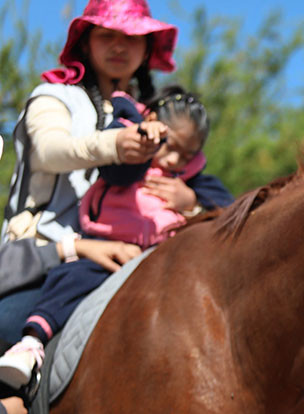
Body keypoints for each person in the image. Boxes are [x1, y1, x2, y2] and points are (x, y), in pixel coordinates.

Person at [0, 86, 233, 389]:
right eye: (169, 146)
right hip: (103, 255)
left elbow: (229, 211)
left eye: (187, 155)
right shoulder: (131, 165)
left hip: (161, 261)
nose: (175, 160)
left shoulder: (191, 182)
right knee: (68, 283)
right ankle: (31, 345)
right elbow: (117, 172)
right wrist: (141, 138)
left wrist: (191, 203)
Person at [0, 0, 177, 342]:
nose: (118, 46)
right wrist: (114, 146)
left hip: (133, 256)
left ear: (147, 47)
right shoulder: (53, 96)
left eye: (131, 37)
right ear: (85, 42)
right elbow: (51, 152)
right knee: (7, 329)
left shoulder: (156, 116)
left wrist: (190, 201)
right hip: (42, 258)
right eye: (106, 35)